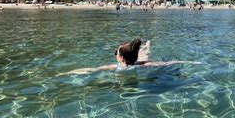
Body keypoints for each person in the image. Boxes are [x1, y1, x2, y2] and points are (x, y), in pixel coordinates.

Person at [60, 39, 199, 75]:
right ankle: (146, 46)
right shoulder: (144, 65)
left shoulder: (115, 66)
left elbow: (91, 70)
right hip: (138, 62)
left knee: (145, 54)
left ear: (120, 58)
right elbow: (170, 62)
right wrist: (191, 62)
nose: (115, 54)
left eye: (116, 52)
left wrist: (65, 72)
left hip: (136, 60)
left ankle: (145, 46)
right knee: (145, 55)